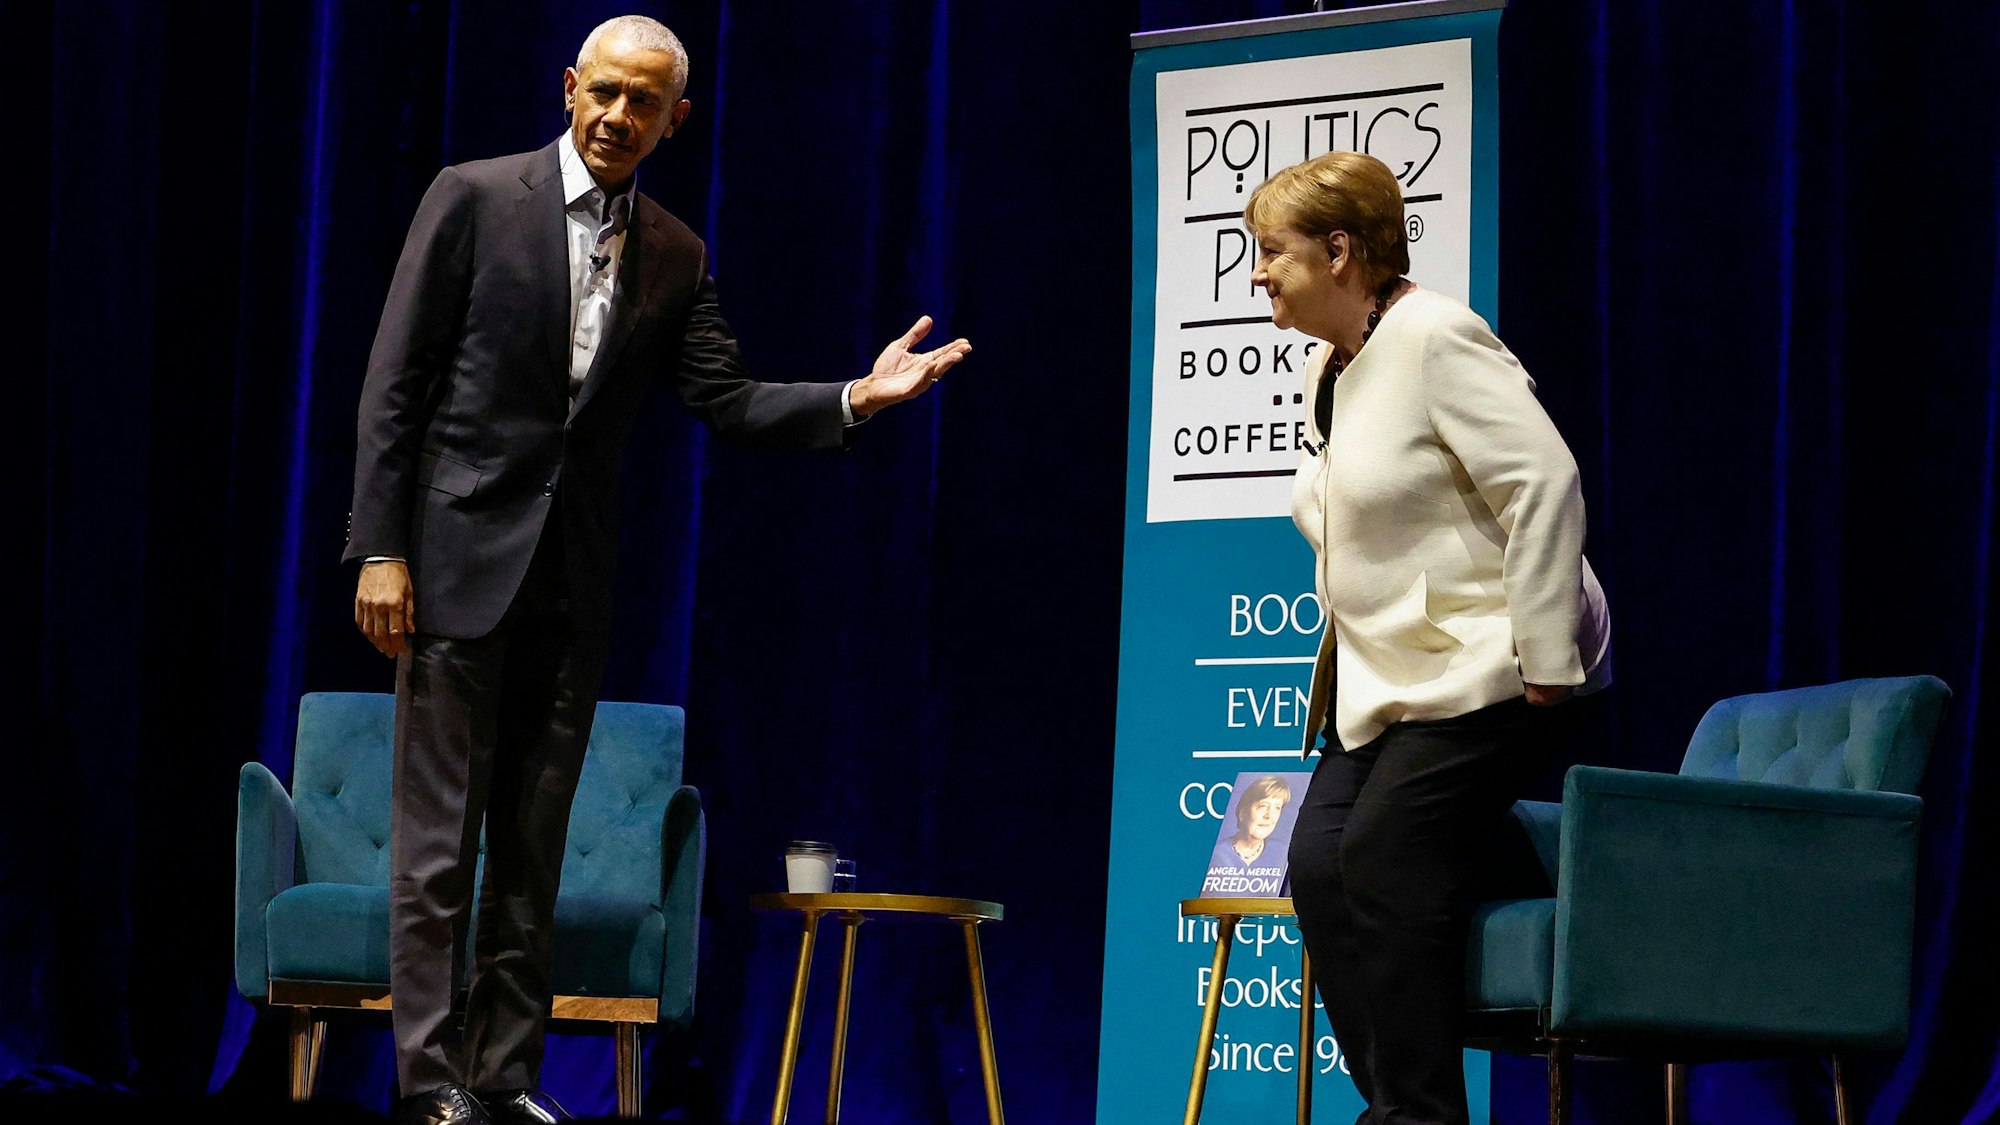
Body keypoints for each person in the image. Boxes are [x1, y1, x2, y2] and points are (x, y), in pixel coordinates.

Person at [344, 16, 971, 1125]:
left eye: (645, 104)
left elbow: (724, 403)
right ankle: (429, 1080)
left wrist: (854, 399)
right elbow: (398, 381)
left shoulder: (675, 253)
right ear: (570, 87)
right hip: (451, 569)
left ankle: (503, 1076)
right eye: (605, 93)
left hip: (571, 585)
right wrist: (381, 548)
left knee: (531, 848)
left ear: (673, 120)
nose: (618, 118)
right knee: (439, 850)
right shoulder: (475, 198)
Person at [1244, 151, 1609, 1125]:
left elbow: (1540, 483)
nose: (1257, 274)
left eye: (1270, 252)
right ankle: (1397, 1107)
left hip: (1493, 670)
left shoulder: (1434, 336)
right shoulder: (1335, 366)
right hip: (1395, 684)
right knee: (1316, 865)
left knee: (1381, 858)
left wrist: (1541, 657)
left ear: (1340, 251)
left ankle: (1418, 1117)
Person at [1206, 774, 1293, 874]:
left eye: (1277, 808)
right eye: (1263, 806)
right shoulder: (1217, 853)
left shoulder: (1283, 853)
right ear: (1243, 814)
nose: (1269, 815)